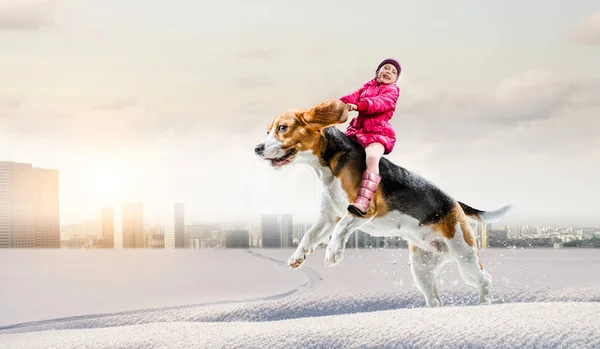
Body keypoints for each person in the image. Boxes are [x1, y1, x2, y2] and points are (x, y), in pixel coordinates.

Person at [339, 58, 401, 217]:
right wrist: (339, 104)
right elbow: (353, 96)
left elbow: (379, 103)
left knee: (372, 158)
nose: (389, 72)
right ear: (378, 72)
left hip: (378, 133)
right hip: (358, 131)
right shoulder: (368, 86)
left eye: (394, 72)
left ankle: (364, 201)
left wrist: (358, 106)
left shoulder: (392, 91)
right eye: (386, 68)